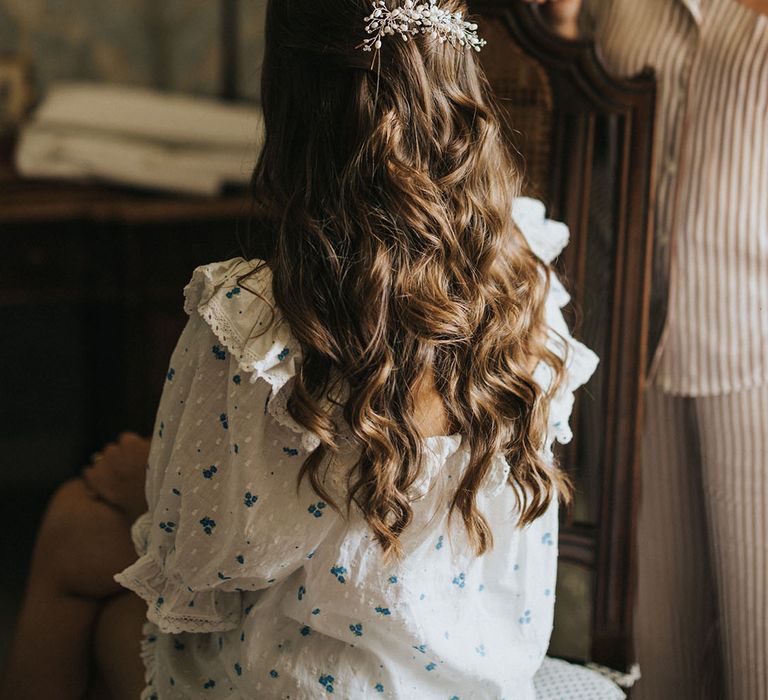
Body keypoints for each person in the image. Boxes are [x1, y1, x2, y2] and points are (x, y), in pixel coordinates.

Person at [0, 1, 613, 698]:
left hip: (295, 682)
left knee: (73, 528)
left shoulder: (253, 321)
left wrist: (139, 488)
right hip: (469, 675)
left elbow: (201, 569)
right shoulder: (528, 281)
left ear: (290, 103)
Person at [527, 0, 768, 698]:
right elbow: (565, 111)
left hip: (755, 352)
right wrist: (564, 27)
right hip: (629, 344)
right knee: (660, 657)